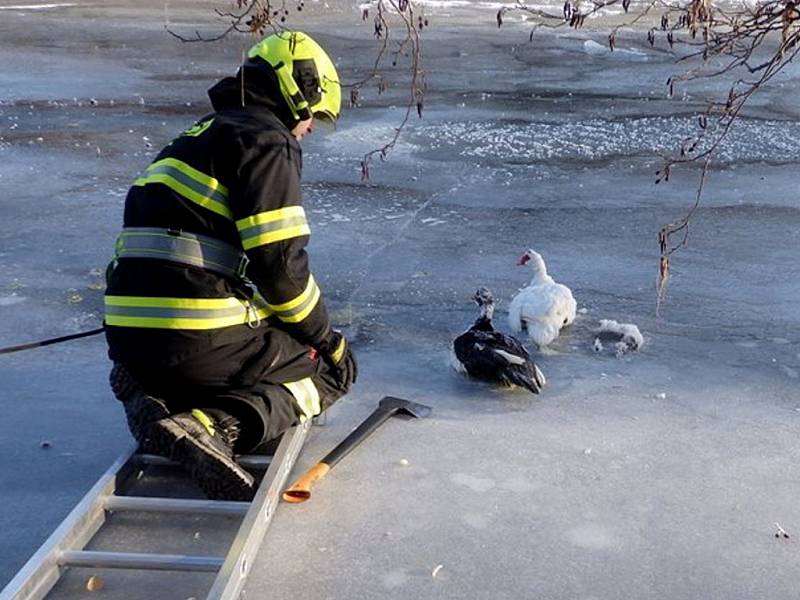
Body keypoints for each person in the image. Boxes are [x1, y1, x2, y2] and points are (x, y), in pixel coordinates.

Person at [104, 31, 357, 501]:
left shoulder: (195, 137)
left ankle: (149, 392)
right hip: (191, 333)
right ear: (301, 90)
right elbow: (280, 269)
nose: (311, 128)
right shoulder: (267, 140)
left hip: (128, 336)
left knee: (229, 347)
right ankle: (213, 425)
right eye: (315, 116)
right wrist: (325, 338)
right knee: (326, 370)